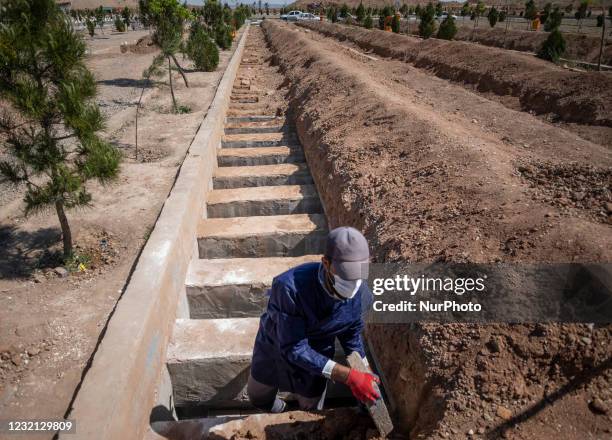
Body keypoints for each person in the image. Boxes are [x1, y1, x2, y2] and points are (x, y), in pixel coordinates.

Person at [247, 226, 379, 413]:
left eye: (357, 276)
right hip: (275, 346)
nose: (352, 284)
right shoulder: (290, 288)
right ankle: (279, 411)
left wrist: (364, 373)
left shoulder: (362, 295)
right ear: (326, 263)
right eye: (345, 275)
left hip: (317, 357)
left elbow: (351, 337)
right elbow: (294, 347)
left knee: (310, 407)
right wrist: (348, 376)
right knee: (258, 396)